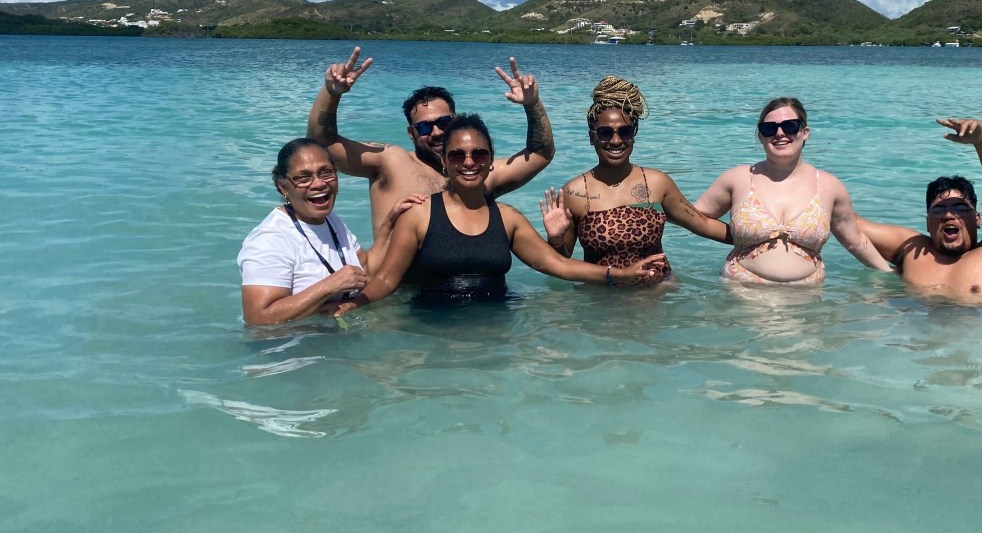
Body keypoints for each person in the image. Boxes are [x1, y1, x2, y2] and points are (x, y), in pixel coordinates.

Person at [334, 114, 665, 313]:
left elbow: (559, 266)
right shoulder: (419, 215)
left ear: (491, 160)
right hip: (432, 332)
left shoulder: (507, 218)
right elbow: (388, 280)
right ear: (445, 161)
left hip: (498, 331)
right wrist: (354, 304)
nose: (468, 162)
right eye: (458, 155)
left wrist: (618, 275)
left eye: (478, 154)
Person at [306, 46, 555, 241]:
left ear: (456, 122)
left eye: (444, 122)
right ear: (411, 134)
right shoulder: (390, 162)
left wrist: (532, 104)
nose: (436, 132)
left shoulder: (477, 171)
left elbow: (541, 153)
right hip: (401, 296)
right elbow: (321, 146)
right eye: (424, 127)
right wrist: (332, 93)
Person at [538, 76, 731, 284]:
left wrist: (760, 237)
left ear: (634, 133)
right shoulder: (574, 192)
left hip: (658, 295)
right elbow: (560, 262)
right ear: (591, 136)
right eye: (605, 133)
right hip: (603, 301)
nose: (616, 140)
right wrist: (556, 239)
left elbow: (703, 224)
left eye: (625, 131)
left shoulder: (657, 183)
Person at [694, 97, 890, 284]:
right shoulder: (738, 178)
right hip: (741, 291)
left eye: (789, 126)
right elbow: (692, 215)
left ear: (805, 132)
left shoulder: (830, 186)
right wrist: (734, 236)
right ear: (761, 136)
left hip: (805, 301)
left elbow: (854, 241)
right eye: (769, 129)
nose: (780, 133)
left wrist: (891, 277)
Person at [237, 138, 424, 326]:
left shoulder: (329, 219)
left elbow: (365, 270)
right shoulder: (270, 239)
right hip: (293, 350)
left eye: (326, 172)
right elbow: (257, 319)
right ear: (283, 186)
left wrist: (392, 221)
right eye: (303, 177)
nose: (318, 184)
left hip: (332, 342)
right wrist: (328, 286)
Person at [855, 118, 982, 298]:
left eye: (960, 208)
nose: (949, 215)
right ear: (928, 223)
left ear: (977, 219)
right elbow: (844, 221)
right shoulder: (910, 249)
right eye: (939, 209)